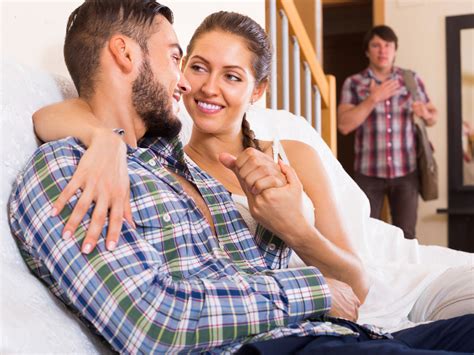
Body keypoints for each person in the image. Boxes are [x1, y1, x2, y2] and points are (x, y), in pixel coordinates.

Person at [10, 1, 474, 353]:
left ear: (257, 91)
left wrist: (287, 220)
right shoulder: (69, 170)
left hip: (340, 331)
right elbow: (150, 320)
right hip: (282, 344)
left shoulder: (170, 162)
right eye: (181, 59)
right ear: (124, 53)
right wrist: (312, 291)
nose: (189, 84)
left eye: (231, 76)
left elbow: (273, 274)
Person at [337, 25, 438, 240]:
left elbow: (433, 116)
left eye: (387, 45)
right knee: (366, 235)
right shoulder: (353, 83)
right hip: (368, 173)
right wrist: (373, 98)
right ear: (367, 51)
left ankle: (407, 274)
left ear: (395, 49)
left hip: (406, 172)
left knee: (407, 235)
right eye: (376, 45)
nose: (382, 51)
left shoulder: (411, 79)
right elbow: (344, 125)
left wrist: (426, 115)